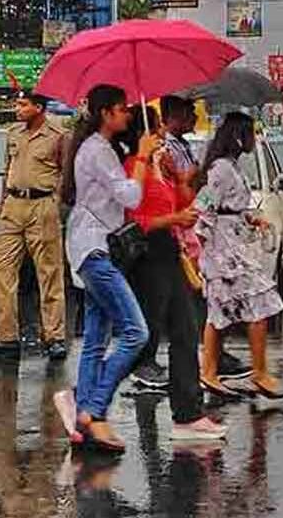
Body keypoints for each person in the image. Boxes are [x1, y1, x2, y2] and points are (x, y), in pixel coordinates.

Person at [54, 84, 156, 452]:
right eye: (122, 109)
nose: (128, 115)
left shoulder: (98, 149)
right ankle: (93, 410)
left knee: (96, 338)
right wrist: (142, 158)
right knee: (135, 332)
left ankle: (83, 413)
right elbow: (130, 196)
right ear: (106, 114)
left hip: (92, 248)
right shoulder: (97, 150)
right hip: (94, 250)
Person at [121, 106, 227, 441]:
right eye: (155, 132)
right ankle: (87, 401)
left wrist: (177, 179)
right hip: (147, 256)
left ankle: (188, 413)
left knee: (185, 330)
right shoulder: (131, 170)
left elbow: (184, 202)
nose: (162, 138)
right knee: (141, 337)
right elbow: (136, 220)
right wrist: (172, 221)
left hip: (170, 252)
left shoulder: (160, 168)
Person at [157, 95, 251, 383]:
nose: (194, 117)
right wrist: (194, 176)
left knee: (206, 299)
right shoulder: (165, 150)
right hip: (185, 227)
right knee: (199, 299)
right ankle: (205, 365)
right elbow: (186, 193)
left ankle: (213, 359)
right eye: (188, 112)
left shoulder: (186, 147)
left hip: (199, 227)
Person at [195, 111, 283, 399]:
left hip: (234, 242)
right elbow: (205, 205)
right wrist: (202, 250)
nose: (254, 139)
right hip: (223, 249)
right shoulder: (220, 169)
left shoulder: (233, 166)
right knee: (254, 303)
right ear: (238, 136)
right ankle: (252, 372)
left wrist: (251, 218)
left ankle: (214, 371)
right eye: (250, 133)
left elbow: (233, 206)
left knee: (222, 310)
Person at [0, 91, 67, 362]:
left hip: (42, 205)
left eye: (23, 104)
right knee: (0, 270)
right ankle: (5, 338)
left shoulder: (58, 135)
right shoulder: (13, 133)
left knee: (48, 273)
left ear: (39, 108)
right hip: (13, 205)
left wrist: (55, 203)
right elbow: (7, 170)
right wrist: (2, 205)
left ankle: (54, 337)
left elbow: (65, 172)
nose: (17, 109)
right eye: (17, 103)